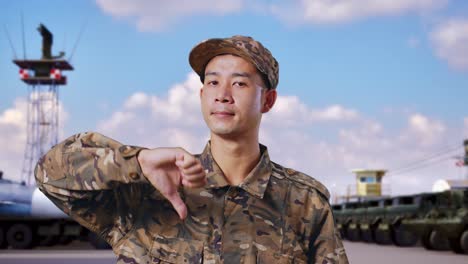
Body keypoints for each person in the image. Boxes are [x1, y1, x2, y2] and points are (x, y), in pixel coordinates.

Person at [35, 35, 348, 264]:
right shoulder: (149, 189)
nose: (222, 95)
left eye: (239, 83)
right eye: (213, 83)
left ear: (268, 100)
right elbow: (49, 172)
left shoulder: (305, 203)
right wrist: (137, 161)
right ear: (201, 95)